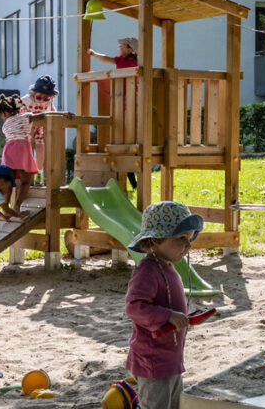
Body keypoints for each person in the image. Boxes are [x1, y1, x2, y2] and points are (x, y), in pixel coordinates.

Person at [124, 201, 204, 409]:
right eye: (181, 239)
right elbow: (134, 306)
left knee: (175, 403)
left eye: (189, 239)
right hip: (152, 359)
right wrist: (167, 316)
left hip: (170, 357)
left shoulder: (168, 267)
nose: (188, 245)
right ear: (156, 239)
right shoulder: (147, 270)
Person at [88, 38, 141, 188]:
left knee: (126, 128)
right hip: (126, 99)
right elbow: (107, 59)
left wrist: (93, 53)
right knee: (126, 130)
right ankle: (131, 173)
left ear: (130, 50)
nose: (119, 47)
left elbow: (106, 59)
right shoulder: (128, 61)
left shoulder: (129, 62)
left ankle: (131, 170)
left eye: (122, 45)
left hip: (127, 99)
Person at [0, 93, 36, 216]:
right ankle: (17, 206)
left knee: (7, 181)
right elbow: (42, 116)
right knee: (25, 180)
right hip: (22, 149)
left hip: (9, 150)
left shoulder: (5, 125)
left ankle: (5, 207)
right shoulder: (26, 117)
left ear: (4, 113)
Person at [20, 75, 57, 174]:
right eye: (39, 97)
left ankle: (39, 172)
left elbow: (53, 111)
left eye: (46, 98)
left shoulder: (48, 102)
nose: (42, 100)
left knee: (41, 150)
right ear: (33, 93)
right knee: (27, 150)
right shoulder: (27, 100)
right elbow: (16, 105)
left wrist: (56, 115)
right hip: (26, 129)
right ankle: (27, 172)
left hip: (40, 128)